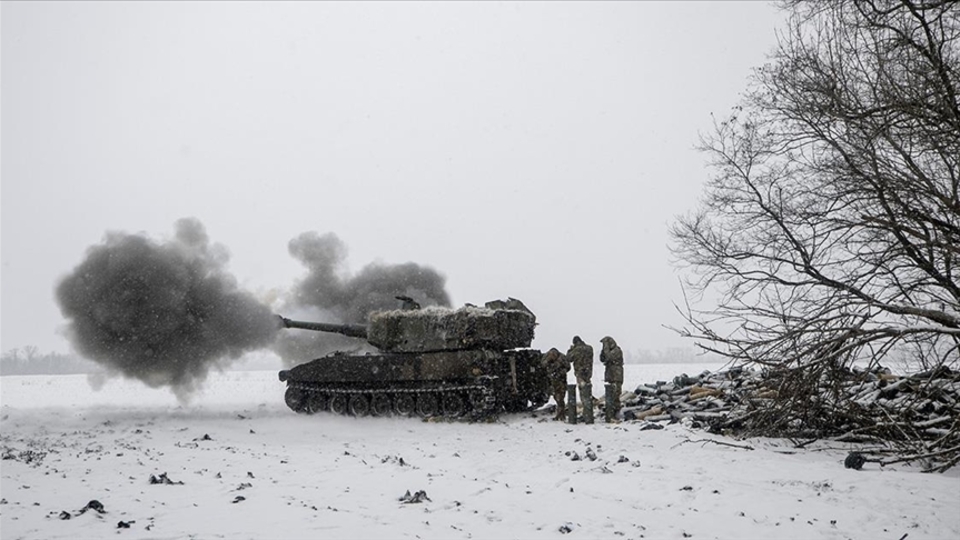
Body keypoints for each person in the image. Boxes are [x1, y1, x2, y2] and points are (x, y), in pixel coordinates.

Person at [541, 348, 570, 420]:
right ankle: (560, 414)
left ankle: (561, 414)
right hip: (552, 380)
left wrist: (561, 371)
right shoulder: (546, 357)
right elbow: (543, 365)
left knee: (560, 397)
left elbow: (568, 367)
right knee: (556, 397)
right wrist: (548, 362)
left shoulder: (562, 357)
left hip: (561, 380)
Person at [567, 336, 594, 407]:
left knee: (582, 388)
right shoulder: (589, 348)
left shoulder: (575, 350)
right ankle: (589, 401)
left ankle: (585, 405)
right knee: (587, 386)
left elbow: (569, 358)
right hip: (588, 371)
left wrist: (570, 350)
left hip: (580, 371)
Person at [600, 336, 624, 415]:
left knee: (615, 395)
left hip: (616, 376)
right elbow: (602, 359)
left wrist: (606, 348)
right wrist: (603, 351)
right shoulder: (609, 351)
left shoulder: (617, 350)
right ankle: (611, 412)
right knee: (610, 395)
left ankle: (615, 413)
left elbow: (609, 357)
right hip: (610, 376)